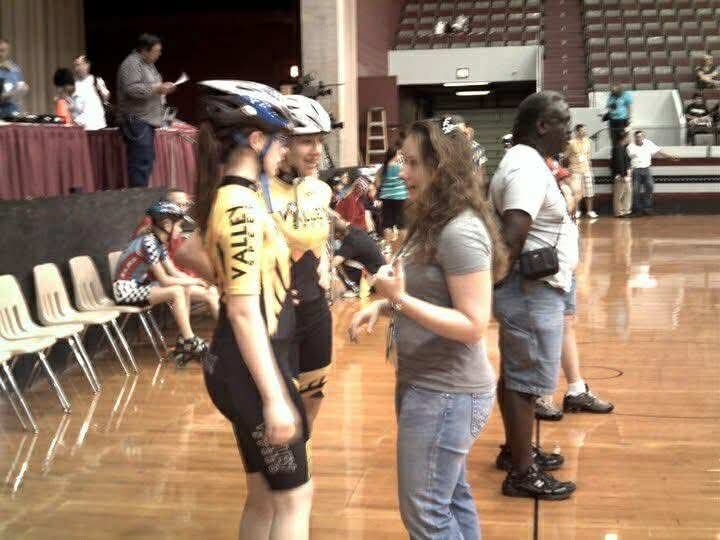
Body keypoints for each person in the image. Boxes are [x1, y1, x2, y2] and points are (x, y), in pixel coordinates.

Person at [350, 117, 506, 538]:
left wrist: (399, 300)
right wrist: (385, 305)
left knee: (425, 514)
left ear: (443, 169)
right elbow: (433, 295)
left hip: (447, 392)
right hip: (429, 385)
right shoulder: (433, 221)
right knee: (449, 498)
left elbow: (473, 324)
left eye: (413, 163)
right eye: (403, 161)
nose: (402, 172)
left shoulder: (460, 231)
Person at [191, 80, 313, 539]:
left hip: (244, 363)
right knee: (294, 498)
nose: (285, 151)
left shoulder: (237, 197)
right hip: (249, 369)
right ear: (257, 140)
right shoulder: (239, 206)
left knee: (264, 494)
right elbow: (243, 313)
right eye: (281, 140)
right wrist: (274, 397)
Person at [489, 91, 578, 500]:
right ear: (542, 125)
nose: (569, 130)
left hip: (530, 289)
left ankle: (516, 451)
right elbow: (513, 234)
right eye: (563, 122)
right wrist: (501, 286)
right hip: (529, 289)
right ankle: (522, 474)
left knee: (516, 377)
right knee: (525, 383)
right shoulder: (525, 167)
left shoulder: (526, 162)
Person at [271, 93, 334, 430]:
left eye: (320, 141)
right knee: (280, 404)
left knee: (314, 394)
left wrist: (326, 259)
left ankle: (304, 449)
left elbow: (319, 235)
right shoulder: (255, 192)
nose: (317, 150)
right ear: (282, 144)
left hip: (316, 309)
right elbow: (192, 253)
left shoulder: (319, 189)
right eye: (307, 141)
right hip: (277, 316)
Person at [534, 159, 614, 421]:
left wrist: (569, 190)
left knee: (566, 324)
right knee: (547, 330)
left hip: (564, 269)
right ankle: (541, 396)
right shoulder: (530, 176)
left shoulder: (552, 171)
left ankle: (576, 390)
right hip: (545, 270)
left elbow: (574, 188)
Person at [113, 201, 208, 367]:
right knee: (176, 291)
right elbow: (164, 279)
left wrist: (197, 281)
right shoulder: (148, 242)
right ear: (166, 224)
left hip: (139, 286)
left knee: (183, 287)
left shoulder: (158, 242)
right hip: (125, 291)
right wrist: (194, 280)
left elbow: (174, 272)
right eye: (179, 225)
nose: (180, 230)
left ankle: (184, 339)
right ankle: (189, 340)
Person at [117, 33, 176, 188]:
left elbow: (152, 87)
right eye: (156, 51)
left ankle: (141, 194)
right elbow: (132, 89)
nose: (159, 54)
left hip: (147, 120)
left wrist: (163, 88)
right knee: (140, 161)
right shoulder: (132, 63)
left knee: (146, 160)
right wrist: (157, 88)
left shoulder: (148, 64)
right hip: (137, 119)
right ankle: (138, 197)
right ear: (144, 50)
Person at [626, 130, 680, 216]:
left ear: (643, 137)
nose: (638, 138)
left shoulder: (648, 143)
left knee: (650, 187)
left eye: (640, 137)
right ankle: (637, 210)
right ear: (634, 138)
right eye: (636, 137)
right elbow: (627, 160)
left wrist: (670, 156)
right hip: (635, 170)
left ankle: (647, 208)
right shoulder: (630, 147)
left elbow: (659, 151)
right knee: (635, 191)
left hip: (646, 169)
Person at [331, 215, 386, 291]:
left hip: (375, 280)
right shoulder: (354, 230)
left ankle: (355, 288)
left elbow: (333, 263)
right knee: (341, 256)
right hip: (381, 271)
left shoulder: (351, 243)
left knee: (341, 264)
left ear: (337, 234)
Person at [377, 144, 408, 248]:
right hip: (400, 198)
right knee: (402, 225)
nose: (400, 156)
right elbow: (407, 180)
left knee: (387, 224)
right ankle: (402, 247)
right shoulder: (400, 167)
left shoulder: (383, 168)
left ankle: (388, 247)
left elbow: (378, 183)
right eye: (399, 154)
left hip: (386, 198)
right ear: (394, 155)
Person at [564, 124, 597, 219]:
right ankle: (577, 210)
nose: (585, 132)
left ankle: (590, 211)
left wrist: (590, 167)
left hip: (586, 169)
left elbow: (588, 156)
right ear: (577, 132)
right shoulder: (571, 143)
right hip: (575, 170)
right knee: (576, 192)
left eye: (585, 130)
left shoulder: (588, 142)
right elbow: (566, 156)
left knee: (589, 192)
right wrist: (569, 168)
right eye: (583, 130)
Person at [73, 55, 110, 130]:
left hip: (98, 125)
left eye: (82, 64)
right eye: (77, 65)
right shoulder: (73, 84)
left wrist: (102, 92)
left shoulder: (96, 80)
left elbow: (106, 97)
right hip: (81, 126)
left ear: (88, 65)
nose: (79, 68)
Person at [0, 38, 28, 119]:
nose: (0, 53)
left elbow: (20, 88)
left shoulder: (14, 69)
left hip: (11, 110)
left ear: (7, 52)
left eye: (2, 51)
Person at [611, 131, 633, 218]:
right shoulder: (618, 148)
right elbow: (619, 162)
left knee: (626, 193)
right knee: (619, 194)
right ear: (624, 138)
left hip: (625, 174)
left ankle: (625, 210)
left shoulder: (623, 147)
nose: (629, 139)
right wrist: (623, 175)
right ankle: (619, 212)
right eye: (628, 137)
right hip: (621, 175)